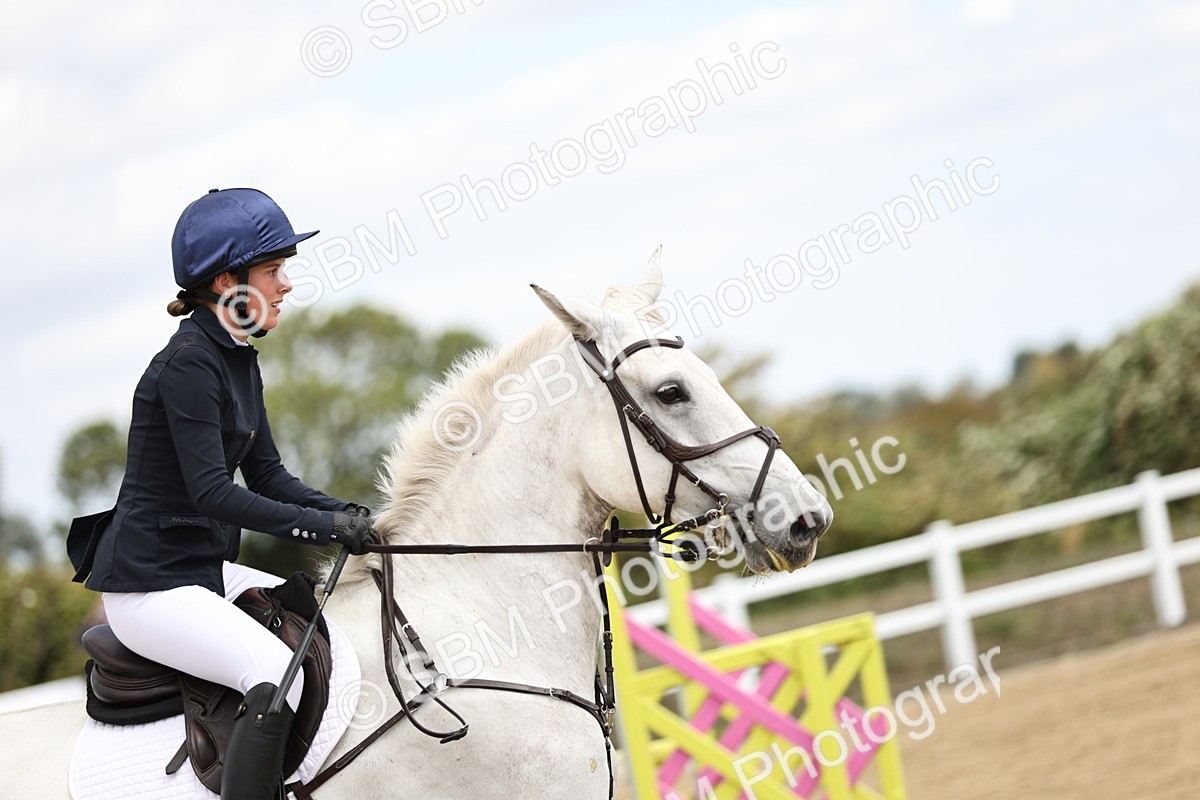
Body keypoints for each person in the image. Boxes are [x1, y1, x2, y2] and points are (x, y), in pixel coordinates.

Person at [67, 187, 375, 800]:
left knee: (316, 621)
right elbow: (212, 493)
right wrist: (321, 529)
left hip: (200, 571)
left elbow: (268, 478)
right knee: (270, 671)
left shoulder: (238, 359)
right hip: (151, 587)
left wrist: (347, 515)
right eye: (273, 270)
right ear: (229, 280)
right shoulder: (188, 365)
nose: (286, 284)